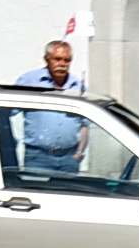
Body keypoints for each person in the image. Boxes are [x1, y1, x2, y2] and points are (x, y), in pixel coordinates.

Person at [14, 40, 89, 173]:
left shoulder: (77, 87)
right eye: (57, 59)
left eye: (67, 60)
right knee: (36, 193)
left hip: (69, 159)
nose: (62, 64)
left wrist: (79, 153)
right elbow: (8, 112)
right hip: (38, 158)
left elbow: (84, 124)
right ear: (46, 59)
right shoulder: (29, 82)